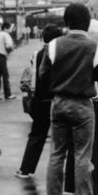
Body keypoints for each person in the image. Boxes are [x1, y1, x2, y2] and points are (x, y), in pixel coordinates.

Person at [42, 3, 98, 195]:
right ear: (88, 23)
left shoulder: (52, 45)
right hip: (82, 106)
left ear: (66, 22)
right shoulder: (96, 47)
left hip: (58, 103)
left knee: (56, 154)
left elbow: (43, 74)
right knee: (82, 155)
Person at [14, 24, 63, 179]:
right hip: (57, 98)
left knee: (37, 135)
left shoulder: (36, 54)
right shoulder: (61, 53)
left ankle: (25, 169)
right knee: (63, 137)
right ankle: (63, 172)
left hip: (40, 99)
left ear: (43, 38)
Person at [0, 22, 15, 100]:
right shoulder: (6, 35)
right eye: (10, 28)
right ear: (6, 28)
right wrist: (10, 50)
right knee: (5, 75)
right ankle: (8, 94)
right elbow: (9, 45)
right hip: (1, 55)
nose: (10, 29)